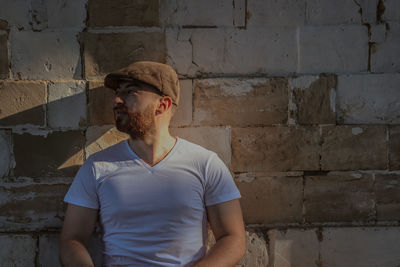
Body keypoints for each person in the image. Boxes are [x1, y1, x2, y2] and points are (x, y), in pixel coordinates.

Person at [59, 61, 246, 267]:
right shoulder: (97, 166)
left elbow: (233, 238)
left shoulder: (205, 163)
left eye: (130, 92)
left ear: (163, 105)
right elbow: (71, 239)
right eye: (118, 92)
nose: (117, 100)